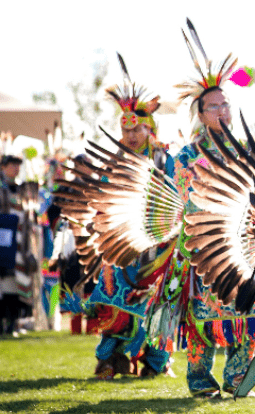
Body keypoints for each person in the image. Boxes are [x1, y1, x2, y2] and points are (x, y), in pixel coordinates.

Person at [167, 20, 255, 397]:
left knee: (248, 312)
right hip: (204, 246)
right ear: (201, 113)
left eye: (226, 104)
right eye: (215, 106)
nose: (223, 111)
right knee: (202, 317)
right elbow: (185, 199)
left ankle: (237, 377)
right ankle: (200, 381)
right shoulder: (188, 156)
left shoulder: (243, 149)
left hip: (243, 244)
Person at [84, 54, 174, 379]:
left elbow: (178, 197)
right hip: (122, 244)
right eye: (126, 130)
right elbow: (103, 199)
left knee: (158, 304)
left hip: (160, 244)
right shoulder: (116, 161)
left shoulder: (167, 160)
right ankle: (109, 360)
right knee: (117, 301)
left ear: (149, 129)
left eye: (137, 129)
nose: (131, 135)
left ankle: (155, 362)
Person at [0, 155, 26, 336]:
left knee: (15, 283)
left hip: (17, 242)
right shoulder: (2, 188)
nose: (16, 169)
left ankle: (13, 323)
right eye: (13, 165)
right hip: (4, 239)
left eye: (18, 166)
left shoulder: (19, 188)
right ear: (3, 167)